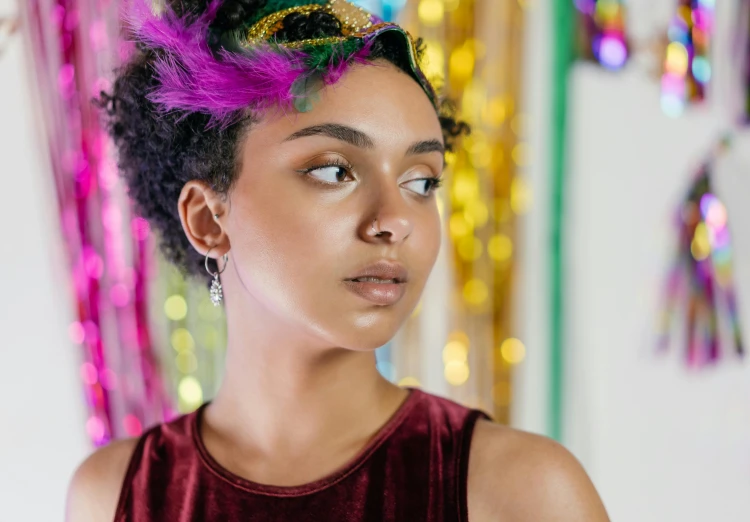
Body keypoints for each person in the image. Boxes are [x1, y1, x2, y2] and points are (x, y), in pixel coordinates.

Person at [66, 0, 610, 520]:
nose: (394, 219)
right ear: (209, 219)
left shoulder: (519, 491)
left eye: (420, 181)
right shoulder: (114, 496)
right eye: (334, 171)